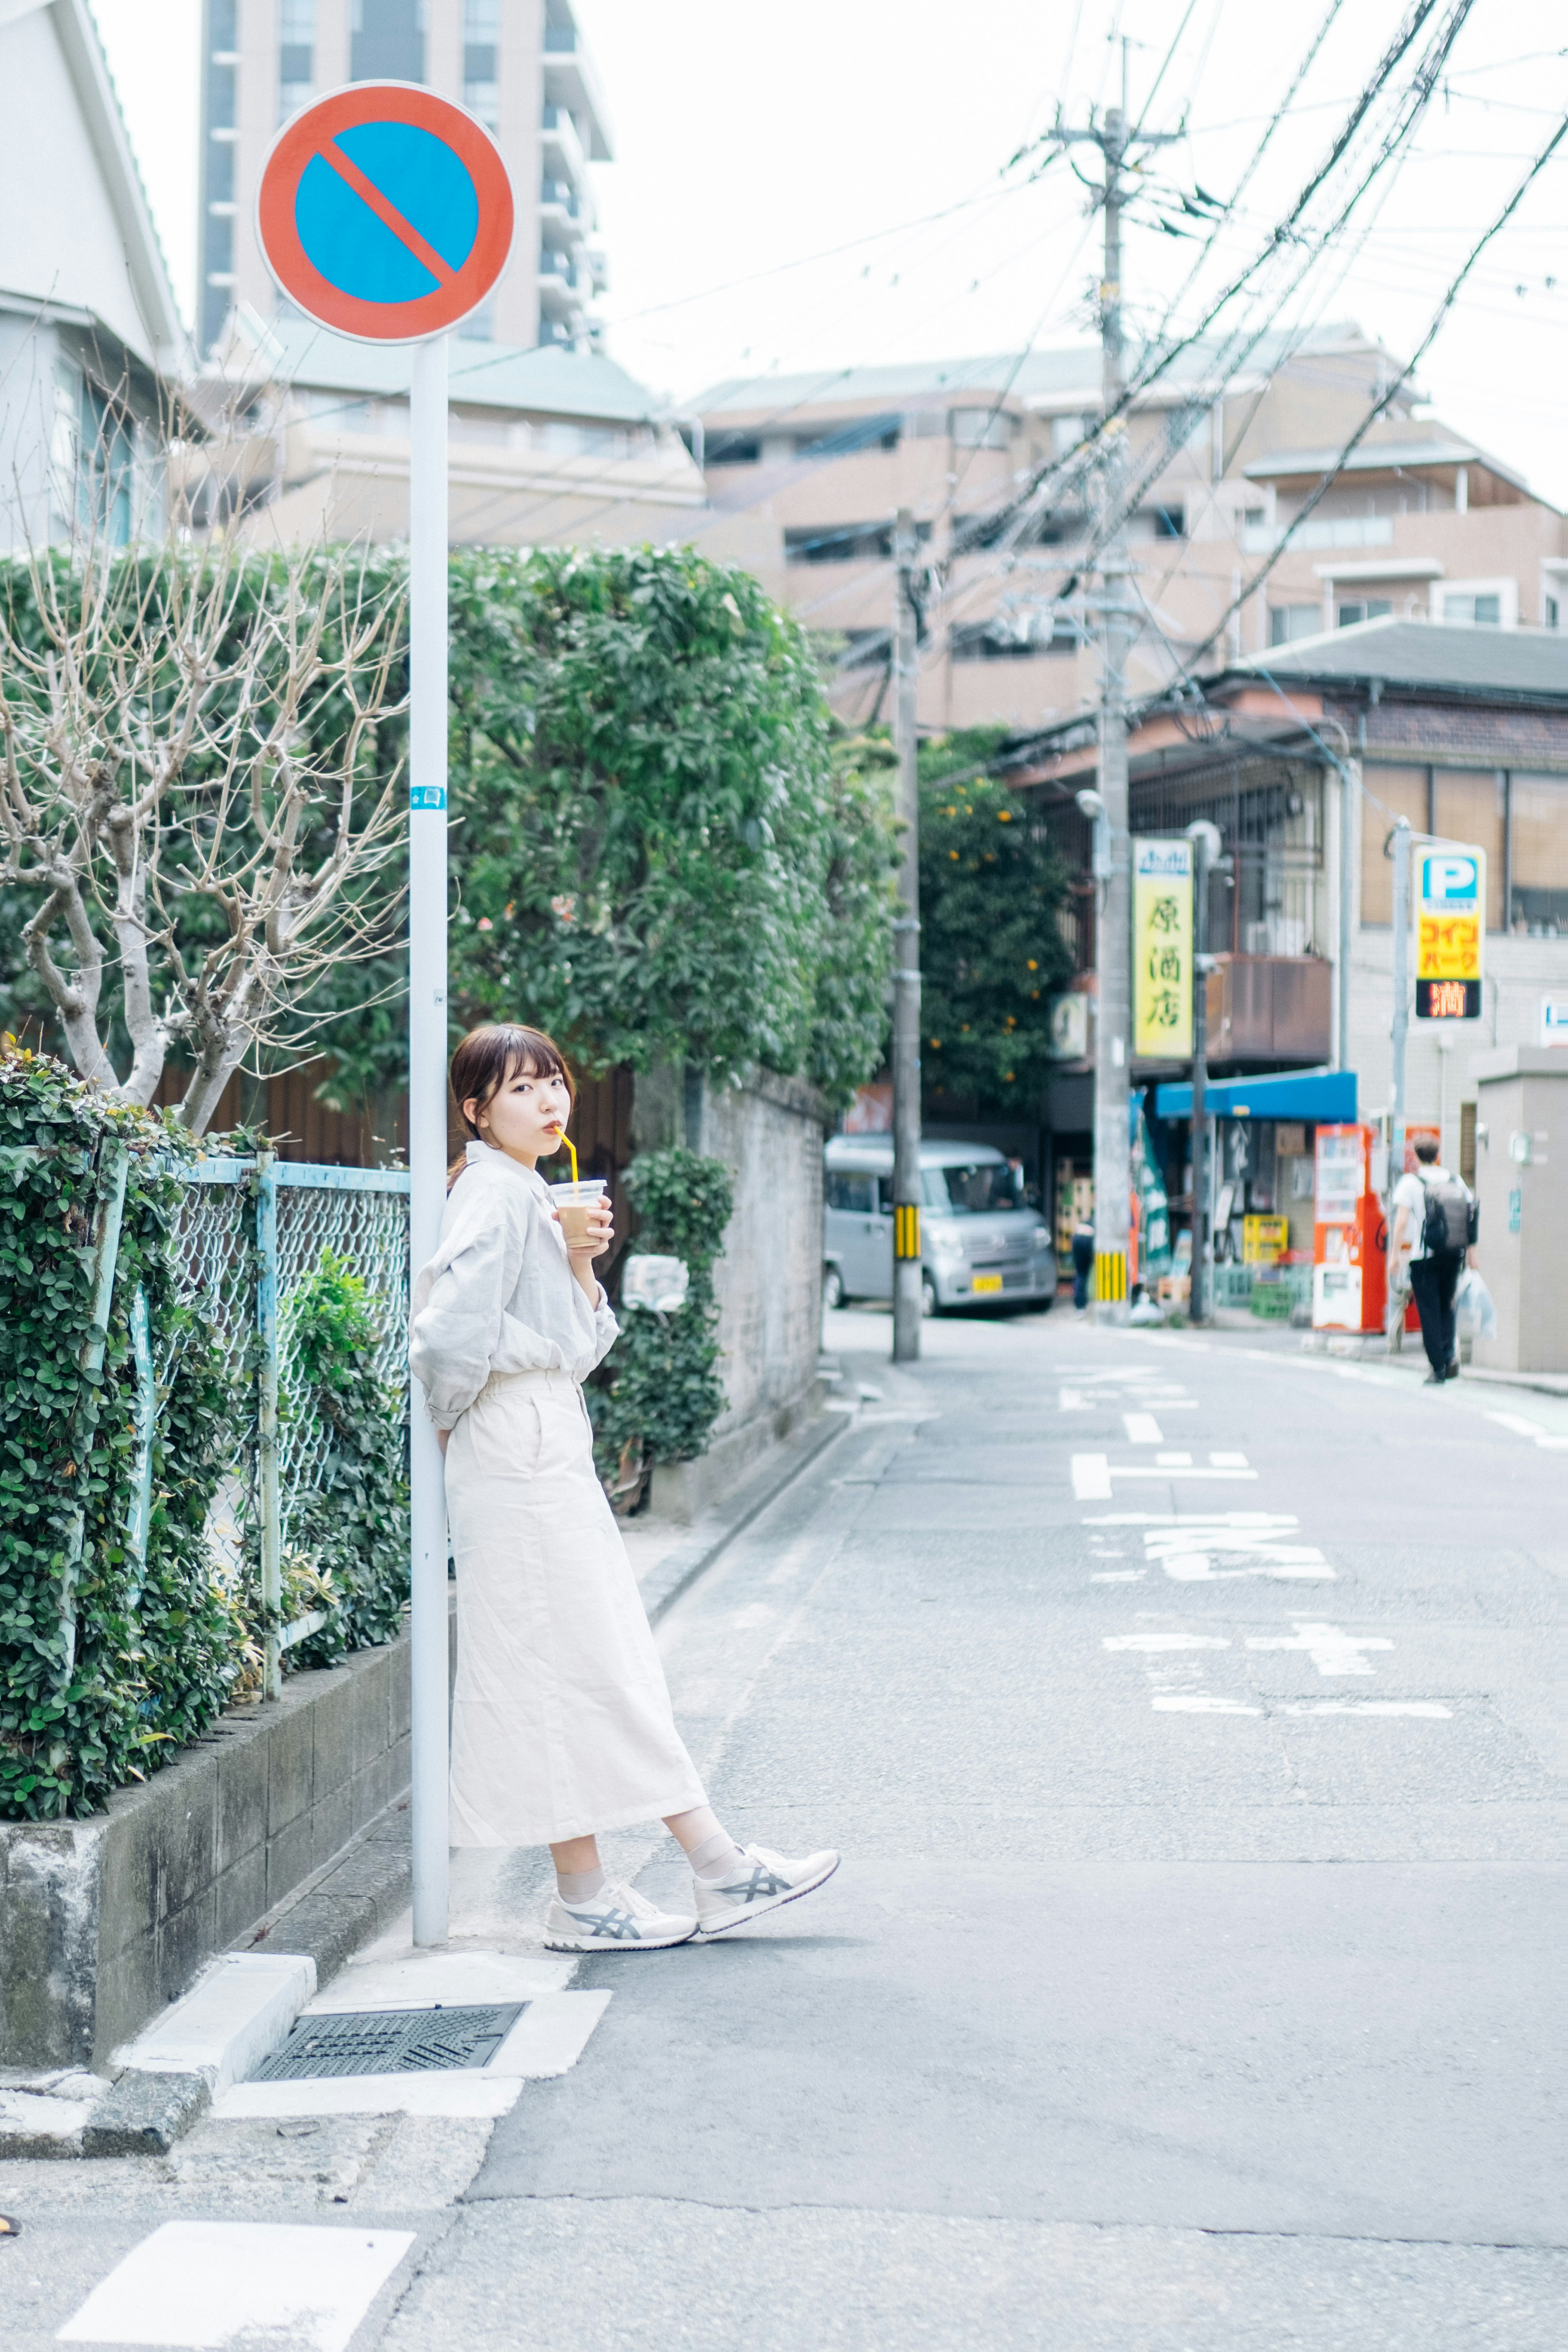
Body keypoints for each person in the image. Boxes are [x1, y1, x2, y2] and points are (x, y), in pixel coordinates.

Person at [410, 1023, 838, 1951]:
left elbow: (579, 1343)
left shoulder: (526, 1192)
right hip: (515, 1439)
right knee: (591, 1655)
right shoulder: (492, 1190)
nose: (549, 1098)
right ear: (476, 1110)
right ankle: (716, 1863)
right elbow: (447, 1339)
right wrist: (453, 1423)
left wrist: (579, 1267)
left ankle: (588, 1891)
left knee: (559, 1662)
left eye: (554, 1079)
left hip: (534, 1433)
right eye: (521, 1088)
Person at [1389, 1134, 1474, 1384]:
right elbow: (1470, 1214)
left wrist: (1394, 1256)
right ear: (1438, 1155)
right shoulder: (1454, 1178)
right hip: (1453, 1254)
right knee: (1447, 1307)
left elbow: (1402, 1221)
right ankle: (1449, 1359)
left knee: (1429, 1312)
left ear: (1415, 1155)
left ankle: (1437, 1367)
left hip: (1424, 1256)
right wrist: (1471, 1252)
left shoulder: (1410, 1181)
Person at [1071, 1214, 1096, 1312]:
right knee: (1085, 1273)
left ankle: (1080, 1306)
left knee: (1081, 1273)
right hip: (1090, 1239)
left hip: (1077, 1237)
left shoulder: (1090, 1218)